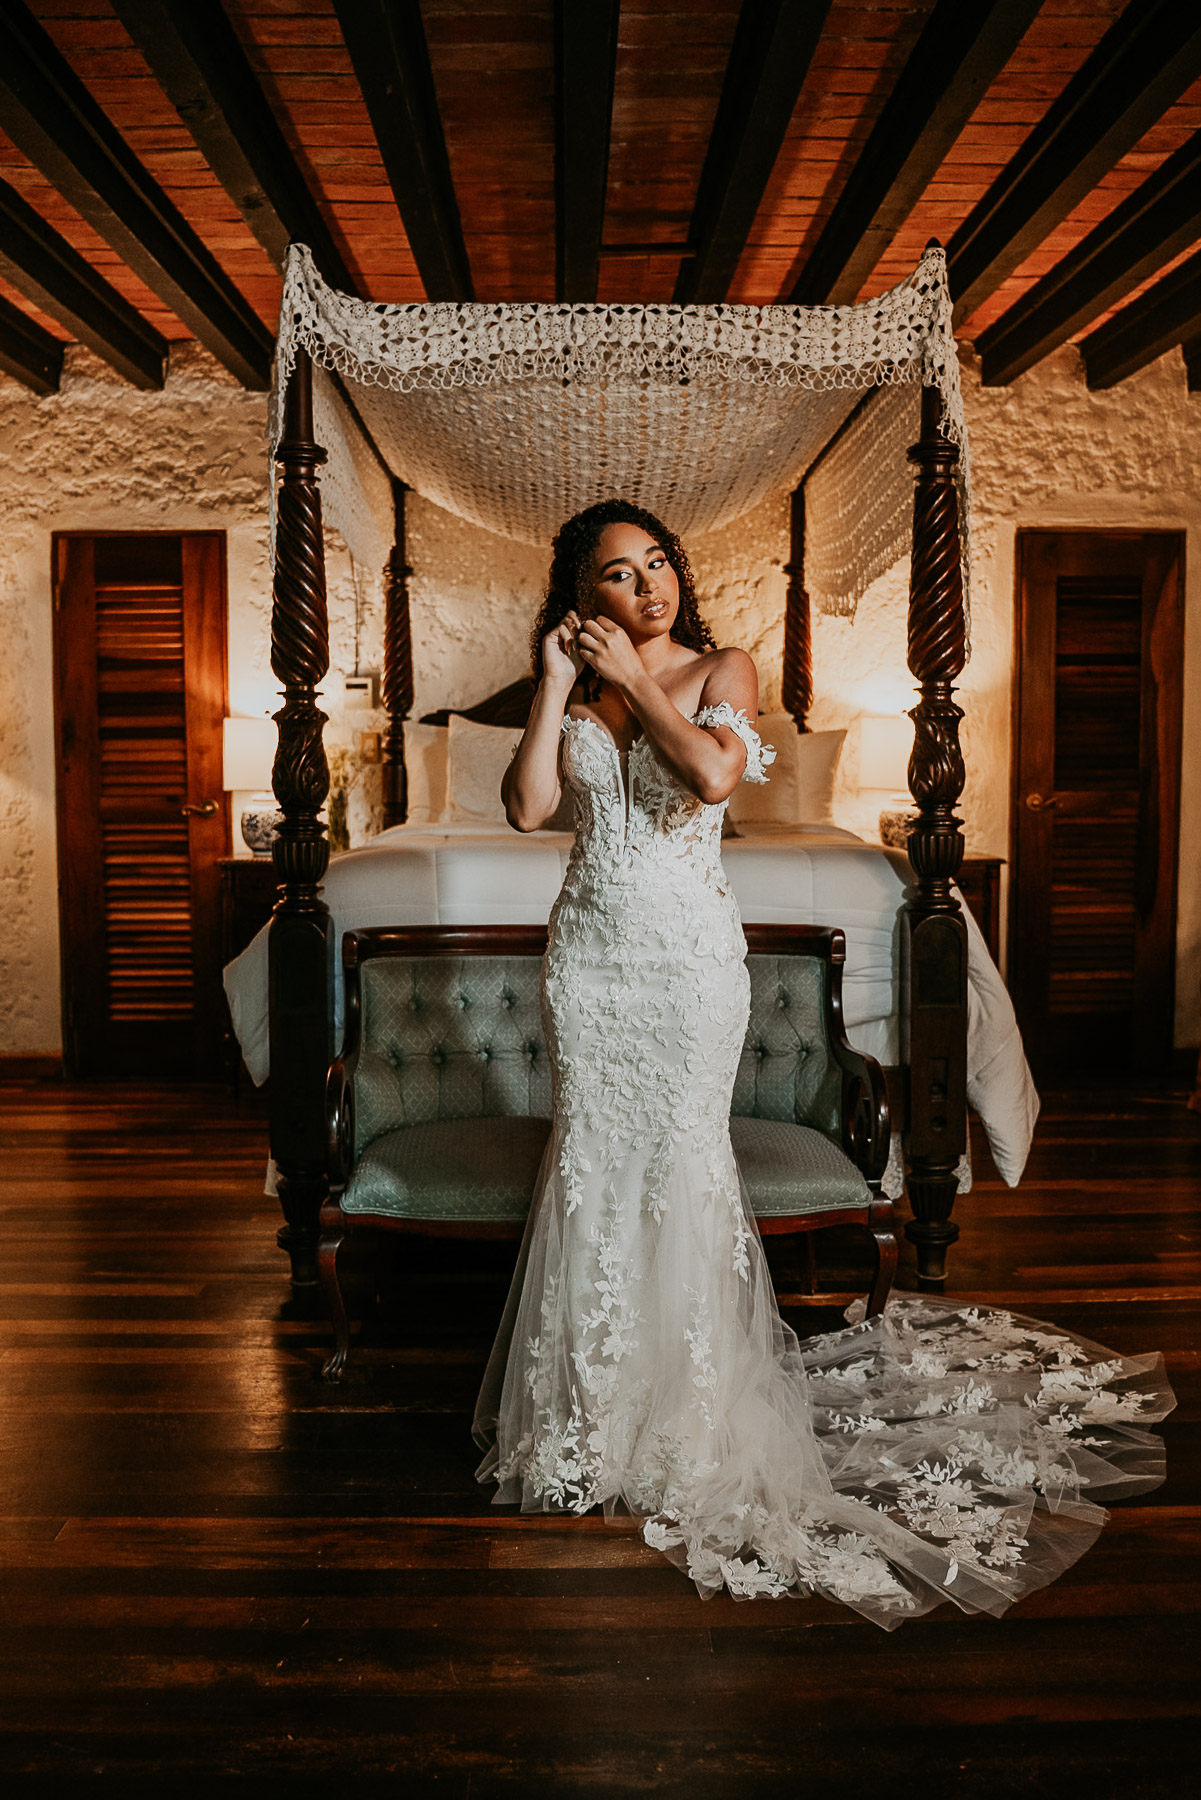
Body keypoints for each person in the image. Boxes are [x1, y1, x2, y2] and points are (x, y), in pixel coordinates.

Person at [472, 497, 1173, 1625]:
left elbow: (707, 779)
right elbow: (524, 810)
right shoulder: (583, 686)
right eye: (618, 574)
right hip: (590, 963)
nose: (649, 585)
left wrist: (640, 682)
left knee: (683, 1165)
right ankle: (590, 1415)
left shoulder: (727, 668)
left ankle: (692, 1419)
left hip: (690, 964)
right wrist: (557, 679)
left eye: (659, 564)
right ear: (582, 595)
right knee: (596, 1163)